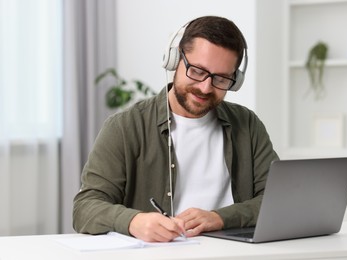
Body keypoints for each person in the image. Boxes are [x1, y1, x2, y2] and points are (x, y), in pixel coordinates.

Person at [73, 16, 279, 242]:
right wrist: (133, 221)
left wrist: (220, 218)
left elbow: (278, 199)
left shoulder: (247, 124)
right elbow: (85, 208)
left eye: (221, 78)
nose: (205, 87)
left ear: (235, 80)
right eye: (198, 71)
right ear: (174, 60)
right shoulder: (125, 127)